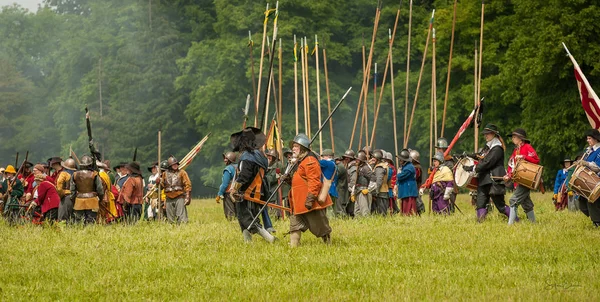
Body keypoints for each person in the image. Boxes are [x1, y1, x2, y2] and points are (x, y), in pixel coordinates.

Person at [229, 127, 276, 243]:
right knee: (243, 218)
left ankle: (270, 239)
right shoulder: (259, 155)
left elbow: (244, 176)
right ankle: (247, 242)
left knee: (249, 218)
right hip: (257, 191)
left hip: (248, 191)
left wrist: (234, 189)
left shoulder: (247, 157)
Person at [288, 134, 333, 247]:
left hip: (309, 202)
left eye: (296, 146)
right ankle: (293, 248)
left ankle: (328, 245)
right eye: (293, 146)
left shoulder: (310, 160)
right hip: (298, 203)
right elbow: (299, 181)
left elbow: (314, 181)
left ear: (303, 148)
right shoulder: (301, 161)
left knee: (320, 227)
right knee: (295, 226)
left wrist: (310, 198)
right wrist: (288, 180)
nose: (293, 149)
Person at [463, 124, 510, 222]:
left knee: (500, 206)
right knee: (480, 204)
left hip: (494, 180)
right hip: (484, 179)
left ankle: (515, 220)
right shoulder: (488, 147)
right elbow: (481, 156)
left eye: (488, 134)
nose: (485, 136)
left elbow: (487, 162)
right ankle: (481, 224)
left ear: (494, 134)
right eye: (485, 134)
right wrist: (468, 155)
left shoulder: (497, 148)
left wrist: (473, 168)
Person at [505, 128, 540, 224]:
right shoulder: (515, 150)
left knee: (513, 200)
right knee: (526, 203)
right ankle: (534, 224)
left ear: (520, 139)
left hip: (526, 179)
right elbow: (512, 165)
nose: (512, 138)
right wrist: (509, 175)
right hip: (519, 179)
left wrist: (524, 157)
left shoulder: (527, 147)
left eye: (514, 137)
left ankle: (510, 225)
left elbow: (536, 160)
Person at [573, 129, 600, 227]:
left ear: (596, 139)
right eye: (587, 139)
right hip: (588, 180)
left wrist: (586, 163)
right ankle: (596, 219)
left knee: (592, 201)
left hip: (597, 180)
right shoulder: (589, 151)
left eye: (589, 138)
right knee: (582, 202)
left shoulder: (599, 151)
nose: (588, 140)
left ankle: (596, 222)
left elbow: (598, 167)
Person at [70, 155, 104, 224]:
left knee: (79, 223)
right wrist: (100, 199)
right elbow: (100, 190)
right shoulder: (94, 174)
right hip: (92, 201)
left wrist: (74, 200)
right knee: (91, 222)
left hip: (79, 201)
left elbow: (72, 190)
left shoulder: (75, 174)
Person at [160, 156, 192, 224]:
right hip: (168, 198)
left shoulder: (182, 172)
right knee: (170, 218)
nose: (175, 165)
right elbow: (162, 186)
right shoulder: (164, 174)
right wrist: (158, 183)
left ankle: (182, 229)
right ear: (170, 165)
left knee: (181, 217)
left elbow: (188, 185)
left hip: (179, 197)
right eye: (173, 164)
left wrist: (187, 196)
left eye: (176, 164)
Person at [395, 149, 418, 215]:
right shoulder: (405, 166)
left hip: (408, 190)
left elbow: (400, 176)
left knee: (409, 208)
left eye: (401, 159)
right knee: (404, 207)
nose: (400, 160)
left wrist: (398, 173)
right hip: (406, 190)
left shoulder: (409, 167)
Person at [216, 152, 237, 221]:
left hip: (229, 193)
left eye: (226, 158)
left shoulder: (228, 169)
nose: (224, 160)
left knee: (230, 213)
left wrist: (219, 194)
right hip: (239, 192)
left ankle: (232, 224)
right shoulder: (239, 166)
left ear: (230, 160)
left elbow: (225, 184)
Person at [351, 152, 372, 217]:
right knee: (357, 211)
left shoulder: (366, 168)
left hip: (363, 191)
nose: (356, 161)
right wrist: (353, 193)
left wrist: (368, 189)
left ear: (361, 160)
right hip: (357, 191)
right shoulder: (359, 167)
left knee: (364, 210)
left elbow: (373, 179)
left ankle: (367, 224)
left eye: (358, 160)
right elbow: (356, 181)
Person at [335, 150, 354, 217]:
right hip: (345, 187)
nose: (346, 159)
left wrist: (351, 188)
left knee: (344, 204)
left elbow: (353, 179)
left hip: (348, 188)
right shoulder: (346, 165)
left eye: (348, 158)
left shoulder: (352, 166)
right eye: (345, 157)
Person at [56, 158, 76, 222]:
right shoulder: (76, 174)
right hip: (75, 197)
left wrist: (61, 195)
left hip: (66, 197)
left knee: (62, 218)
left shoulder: (63, 174)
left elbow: (59, 186)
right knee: (72, 219)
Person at [319, 149, 338, 216]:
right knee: (332, 209)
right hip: (332, 190)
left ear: (327, 156)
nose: (322, 158)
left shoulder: (326, 163)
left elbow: (315, 162)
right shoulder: (334, 164)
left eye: (323, 156)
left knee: (328, 210)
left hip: (327, 190)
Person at [371, 149, 389, 215]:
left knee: (381, 211)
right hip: (382, 190)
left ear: (377, 159)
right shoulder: (381, 165)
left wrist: (376, 191)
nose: (372, 159)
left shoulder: (379, 167)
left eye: (374, 158)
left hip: (381, 190)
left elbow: (379, 180)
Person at [409, 149, 426, 214]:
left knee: (416, 202)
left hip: (414, 186)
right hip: (413, 185)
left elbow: (414, 177)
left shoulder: (417, 168)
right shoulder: (413, 167)